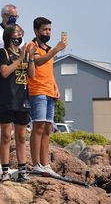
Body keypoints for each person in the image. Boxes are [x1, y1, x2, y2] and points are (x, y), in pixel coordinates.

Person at [27, 17, 67, 174]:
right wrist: (56, 49)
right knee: (38, 126)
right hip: (37, 91)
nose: (48, 32)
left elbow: (49, 71)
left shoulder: (48, 48)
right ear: (36, 31)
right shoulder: (32, 46)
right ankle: (35, 163)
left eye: (49, 29)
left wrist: (55, 86)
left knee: (47, 128)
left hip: (49, 90)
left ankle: (45, 164)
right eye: (44, 29)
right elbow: (38, 62)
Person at [0, 24, 36, 182]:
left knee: (21, 137)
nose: (19, 36)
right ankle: (5, 170)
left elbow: (31, 74)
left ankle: (22, 170)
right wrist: (19, 59)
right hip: (7, 99)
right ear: (8, 35)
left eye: (21, 33)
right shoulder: (3, 52)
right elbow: (5, 72)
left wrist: (30, 58)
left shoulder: (24, 53)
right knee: (6, 135)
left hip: (23, 100)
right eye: (16, 33)